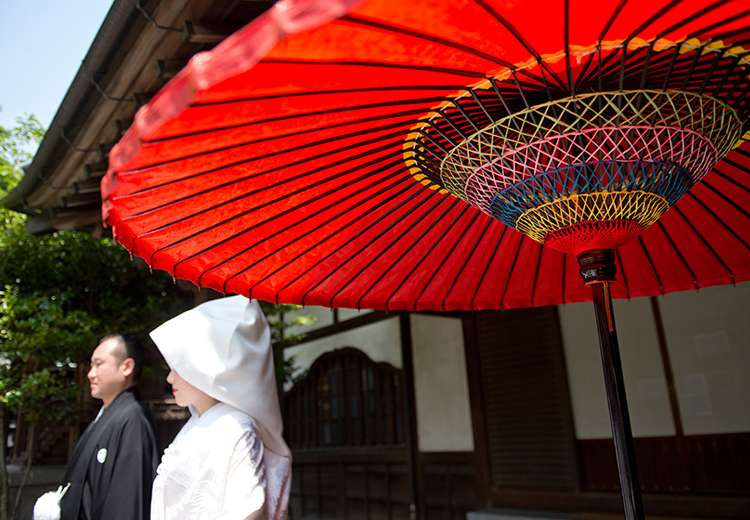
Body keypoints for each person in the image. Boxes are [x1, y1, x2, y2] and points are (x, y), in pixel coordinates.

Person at [148, 295, 292, 520]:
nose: (169, 378)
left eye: (178, 367)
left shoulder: (235, 428)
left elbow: (248, 511)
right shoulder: (198, 422)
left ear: (203, 367)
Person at [35, 334, 159, 520]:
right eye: (91, 365)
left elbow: (125, 504)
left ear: (126, 367)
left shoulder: (133, 420)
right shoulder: (108, 415)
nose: (90, 373)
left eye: (98, 364)